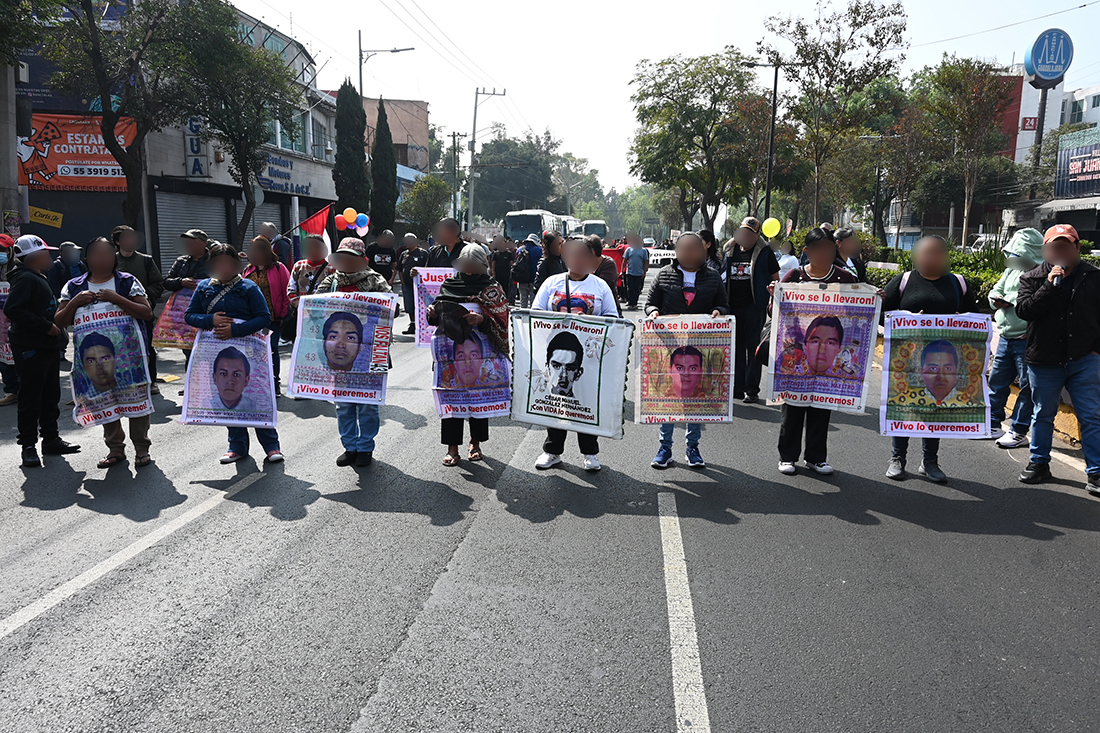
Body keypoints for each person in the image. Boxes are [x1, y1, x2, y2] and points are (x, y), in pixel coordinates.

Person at [881, 234, 977, 483]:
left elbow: (976, 319)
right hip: (908, 360)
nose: (931, 258)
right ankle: (897, 458)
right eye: (926, 253)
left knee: (935, 410)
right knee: (905, 407)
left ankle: (930, 461)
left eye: (937, 253)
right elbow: (882, 315)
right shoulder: (903, 281)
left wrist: (961, 320)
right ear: (916, 255)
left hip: (945, 361)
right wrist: (907, 317)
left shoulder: (958, 283)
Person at [55, 236, 155, 468]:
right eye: (96, 254)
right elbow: (60, 321)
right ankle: (115, 449)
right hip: (92, 361)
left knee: (136, 401)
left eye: (107, 254)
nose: (102, 259)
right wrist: (75, 303)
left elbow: (146, 312)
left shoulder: (126, 282)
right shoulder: (74, 287)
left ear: (114, 258)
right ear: (87, 258)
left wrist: (116, 298)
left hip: (129, 359)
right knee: (104, 400)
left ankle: (141, 447)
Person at [1016, 223, 1100, 495]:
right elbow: (1025, 311)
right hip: (1045, 359)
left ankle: (1096, 472)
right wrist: (1049, 286)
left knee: (1091, 415)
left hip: (1084, 358)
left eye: (1065, 247)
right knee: (1043, 413)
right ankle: (1039, 463)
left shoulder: (1094, 277)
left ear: (1077, 247)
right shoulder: (1032, 278)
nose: (1060, 253)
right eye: (1054, 248)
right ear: (1046, 250)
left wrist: (1096, 350)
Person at [185, 243, 283, 464]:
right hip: (218, 352)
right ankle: (237, 447)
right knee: (229, 399)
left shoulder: (248, 287)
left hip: (250, 352)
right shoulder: (204, 288)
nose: (224, 268)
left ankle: (271, 446)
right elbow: (190, 316)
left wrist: (235, 330)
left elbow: (263, 318)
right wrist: (210, 320)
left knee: (258, 396)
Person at [774, 228, 857, 476]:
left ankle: (816, 458)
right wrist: (774, 298)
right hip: (798, 354)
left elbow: (857, 314)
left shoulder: (846, 278)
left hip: (828, 357)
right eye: (817, 249)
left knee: (821, 405)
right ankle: (787, 456)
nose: (824, 254)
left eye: (828, 249)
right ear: (806, 251)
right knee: (793, 407)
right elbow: (775, 313)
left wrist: (875, 300)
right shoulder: (794, 276)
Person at [532, 235, 619, 472]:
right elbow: (535, 313)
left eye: (582, 254)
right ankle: (552, 451)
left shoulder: (600, 286)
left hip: (588, 358)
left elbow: (613, 318)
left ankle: (590, 453)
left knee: (586, 402)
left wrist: (588, 321)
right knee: (556, 402)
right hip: (557, 355)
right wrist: (558, 318)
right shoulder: (551, 283)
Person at [644, 231, 728, 469]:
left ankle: (693, 447)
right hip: (670, 347)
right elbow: (650, 303)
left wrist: (719, 312)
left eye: (694, 248)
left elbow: (723, 304)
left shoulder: (713, 277)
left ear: (703, 250)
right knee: (669, 398)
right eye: (684, 248)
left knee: (695, 399)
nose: (689, 253)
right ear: (677, 251)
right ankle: (665, 448)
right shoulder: (664, 274)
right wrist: (653, 312)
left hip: (700, 347)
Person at [428, 244, 509, 466]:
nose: (470, 271)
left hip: (481, 352)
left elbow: (502, 319)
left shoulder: (492, 288)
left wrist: (482, 319)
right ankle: (452, 448)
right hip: (452, 351)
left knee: (478, 397)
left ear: (483, 265)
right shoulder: (449, 284)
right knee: (452, 398)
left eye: (474, 266)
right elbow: (438, 314)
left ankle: (475, 443)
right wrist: (433, 313)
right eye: (466, 266)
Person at [5, 235, 81, 467]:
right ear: (33, 257)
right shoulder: (25, 278)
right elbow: (13, 309)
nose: (49, 256)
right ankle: (28, 447)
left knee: (50, 395)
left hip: (47, 347)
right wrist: (45, 326)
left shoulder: (37, 276)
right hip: (31, 348)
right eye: (45, 253)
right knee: (31, 398)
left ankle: (50, 439)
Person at [316, 238, 392, 467]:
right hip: (340, 355)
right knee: (344, 404)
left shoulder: (376, 280)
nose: (346, 261)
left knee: (368, 404)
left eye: (352, 257)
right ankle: (350, 447)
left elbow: (393, 309)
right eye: (343, 257)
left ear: (362, 259)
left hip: (371, 352)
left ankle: (365, 447)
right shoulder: (330, 281)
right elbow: (314, 308)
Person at [986, 228, 1042, 448]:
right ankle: (992, 423)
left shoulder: (1042, 274)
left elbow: (1042, 304)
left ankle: (1018, 430)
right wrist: (995, 300)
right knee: (997, 382)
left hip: (1026, 339)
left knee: (1027, 387)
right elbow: (995, 290)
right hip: (1006, 336)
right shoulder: (1010, 271)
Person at [723, 216, 780, 404]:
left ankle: (752, 390)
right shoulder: (729, 250)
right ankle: (737, 388)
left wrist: (773, 297)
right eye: (743, 232)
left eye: (750, 234)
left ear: (757, 236)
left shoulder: (765, 252)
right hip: (732, 307)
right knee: (736, 349)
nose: (745, 237)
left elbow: (776, 278)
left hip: (755, 307)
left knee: (753, 348)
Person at [113, 225, 164, 393]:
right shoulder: (111, 260)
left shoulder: (146, 261)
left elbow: (158, 284)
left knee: (147, 347)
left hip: (142, 313)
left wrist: (144, 296)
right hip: (116, 314)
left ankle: (151, 381)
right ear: (118, 242)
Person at [243, 236, 291, 393]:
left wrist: (283, 314)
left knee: (271, 348)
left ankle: (274, 382)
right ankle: (257, 382)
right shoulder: (247, 270)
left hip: (271, 319)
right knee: (254, 351)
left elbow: (287, 291)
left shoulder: (278, 268)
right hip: (251, 319)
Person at [286, 233, 334, 345]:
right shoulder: (298, 266)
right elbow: (291, 288)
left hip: (322, 315)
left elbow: (334, 291)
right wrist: (299, 303)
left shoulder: (331, 268)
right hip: (301, 313)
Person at [0, 234, 21, 406]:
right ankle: (12, 391)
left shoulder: (18, 270)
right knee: (4, 360)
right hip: (1, 326)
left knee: (19, 358)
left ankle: (24, 390)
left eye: (3, 250)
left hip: (16, 322)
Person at [396, 233, 430, 335]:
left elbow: (429, 268)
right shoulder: (403, 254)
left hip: (421, 286)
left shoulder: (423, 253)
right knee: (409, 306)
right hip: (407, 285)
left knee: (421, 306)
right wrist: (402, 282)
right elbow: (400, 269)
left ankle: (423, 325)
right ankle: (412, 324)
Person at [210, 346, 255, 411]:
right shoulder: (204, 404)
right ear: (215, 378)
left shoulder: (255, 406)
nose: (230, 381)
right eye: (223, 374)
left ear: (246, 380)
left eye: (237, 375)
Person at [512, 233, 542, 308]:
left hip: (522, 279)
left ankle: (522, 314)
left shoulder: (520, 249)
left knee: (523, 300)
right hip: (533, 279)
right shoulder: (538, 250)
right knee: (533, 301)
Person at [622, 234, 650, 310]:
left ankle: (635, 303)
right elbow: (624, 260)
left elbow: (646, 261)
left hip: (639, 273)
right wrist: (622, 270)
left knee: (637, 289)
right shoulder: (629, 250)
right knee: (630, 288)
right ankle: (631, 303)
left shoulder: (643, 251)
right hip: (630, 273)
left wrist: (645, 271)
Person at [489, 234, 514, 301]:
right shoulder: (496, 254)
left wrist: (512, 271)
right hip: (498, 274)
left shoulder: (509, 254)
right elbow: (493, 263)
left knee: (506, 287)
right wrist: (493, 272)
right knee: (498, 287)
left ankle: (505, 300)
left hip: (506, 274)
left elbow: (511, 263)